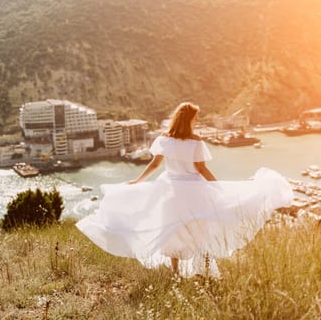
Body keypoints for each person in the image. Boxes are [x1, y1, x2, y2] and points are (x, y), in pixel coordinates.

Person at [76, 102, 293, 276]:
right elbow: (201, 169)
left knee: (172, 229)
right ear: (189, 120)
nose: (197, 122)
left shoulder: (163, 140)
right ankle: (203, 269)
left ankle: (175, 272)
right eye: (196, 118)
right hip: (194, 191)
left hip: (170, 191)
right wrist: (217, 186)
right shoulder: (196, 142)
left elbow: (154, 165)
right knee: (201, 229)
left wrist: (137, 181)